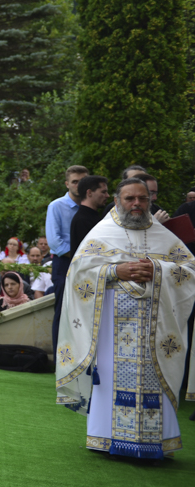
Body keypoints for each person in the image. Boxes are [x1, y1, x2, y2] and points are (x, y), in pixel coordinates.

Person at [57, 178, 195, 459]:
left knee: (153, 380)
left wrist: (158, 269)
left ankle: (156, 443)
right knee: (109, 379)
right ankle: (105, 438)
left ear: (150, 202)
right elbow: (78, 274)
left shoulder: (165, 237)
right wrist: (114, 272)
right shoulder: (102, 233)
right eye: (130, 198)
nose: (136, 204)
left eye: (142, 199)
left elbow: (189, 270)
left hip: (156, 332)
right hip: (110, 330)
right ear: (118, 201)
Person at [46, 164, 90, 353]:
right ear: (67, 184)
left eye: (83, 181)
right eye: (75, 182)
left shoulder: (91, 208)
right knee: (63, 312)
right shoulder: (56, 206)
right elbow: (55, 242)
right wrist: (83, 256)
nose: (79, 185)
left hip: (89, 265)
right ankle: (60, 359)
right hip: (65, 264)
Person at [70, 174, 109, 255]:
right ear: (89, 193)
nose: (107, 196)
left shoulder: (91, 217)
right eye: (103, 192)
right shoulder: (82, 220)